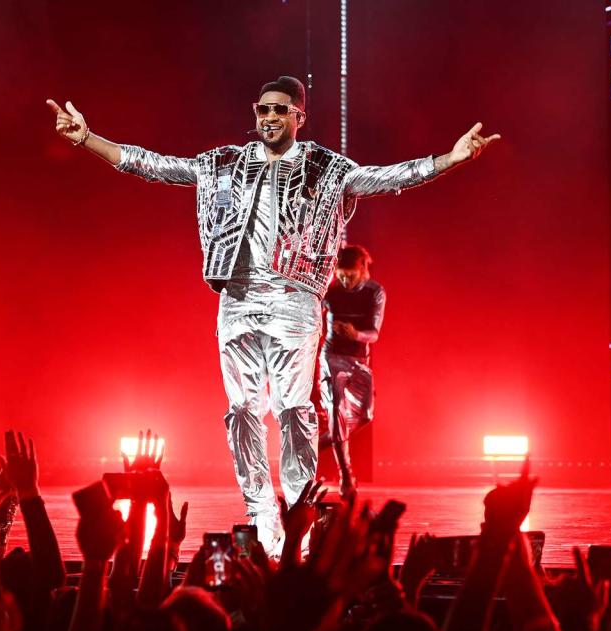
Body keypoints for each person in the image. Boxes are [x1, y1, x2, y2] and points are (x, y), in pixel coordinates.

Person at [46, 75, 500, 552]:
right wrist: (88, 139)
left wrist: (450, 159)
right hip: (237, 299)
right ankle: (263, 518)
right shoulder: (225, 165)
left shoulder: (326, 169)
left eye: (279, 110)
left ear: (299, 117)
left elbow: (388, 178)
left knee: (292, 411)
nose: (268, 118)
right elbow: (154, 165)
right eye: (262, 110)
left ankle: (298, 516)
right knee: (241, 411)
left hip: (295, 301)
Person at [318, 244, 385, 498]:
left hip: (359, 360)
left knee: (366, 415)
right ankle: (346, 476)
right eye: (341, 275)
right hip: (332, 357)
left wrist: (356, 334)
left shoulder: (375, 292)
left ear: (363, 270)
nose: (345, 280)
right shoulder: (331, 291)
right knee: (336, 409)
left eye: (351, 275)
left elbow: (375, 333)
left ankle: (328, 438)